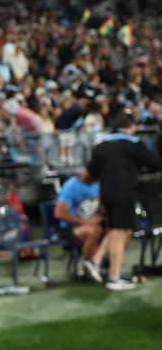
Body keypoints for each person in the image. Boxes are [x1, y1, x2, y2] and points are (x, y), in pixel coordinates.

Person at [86, 112, 160, 290]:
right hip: (124, 192)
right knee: (120, 232)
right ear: (131, 126)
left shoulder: (101, 145)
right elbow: (154, 163)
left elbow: (92, 173)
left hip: (106, 193)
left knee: (118, 230)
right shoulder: (132, 144)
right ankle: (114, 278)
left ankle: (95, 261)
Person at [53, 168, 103, 280]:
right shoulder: (71, 186)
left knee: (114, 230)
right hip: (69, 226)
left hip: (91, 224)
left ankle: (95, 266)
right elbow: (59, 213)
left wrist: (99, 216)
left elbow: (99, 206)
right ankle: (89, 265)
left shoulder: (97, 184)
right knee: (94, 231)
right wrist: (84, 221)